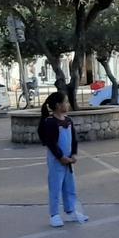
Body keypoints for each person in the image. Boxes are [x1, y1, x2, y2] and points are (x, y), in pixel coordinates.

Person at [38, 92, 87, 228]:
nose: (68, 104)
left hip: (68, 161)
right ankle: (54, 214)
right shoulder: (51, 122)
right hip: (56, 161)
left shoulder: (68, 121)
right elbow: (51, 143)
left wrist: (74, 155)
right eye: (65, 102)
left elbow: (74, 140)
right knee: (56, 187)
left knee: (70, 186)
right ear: (59, 105)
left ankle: (70, 211)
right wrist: (60, 157)